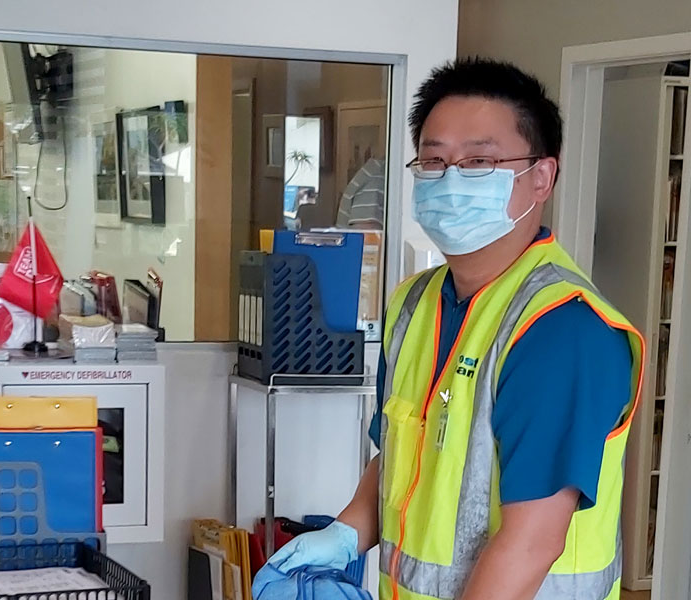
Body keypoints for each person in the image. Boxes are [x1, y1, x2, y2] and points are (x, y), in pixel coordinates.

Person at [256, 58, 645, 600]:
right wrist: (347, 532)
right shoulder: (414, 304)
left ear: (541, 177)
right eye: (435, 161)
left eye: (480, 161)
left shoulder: (562, 329)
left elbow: (531, 542)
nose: (452, 179)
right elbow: (396, 455)